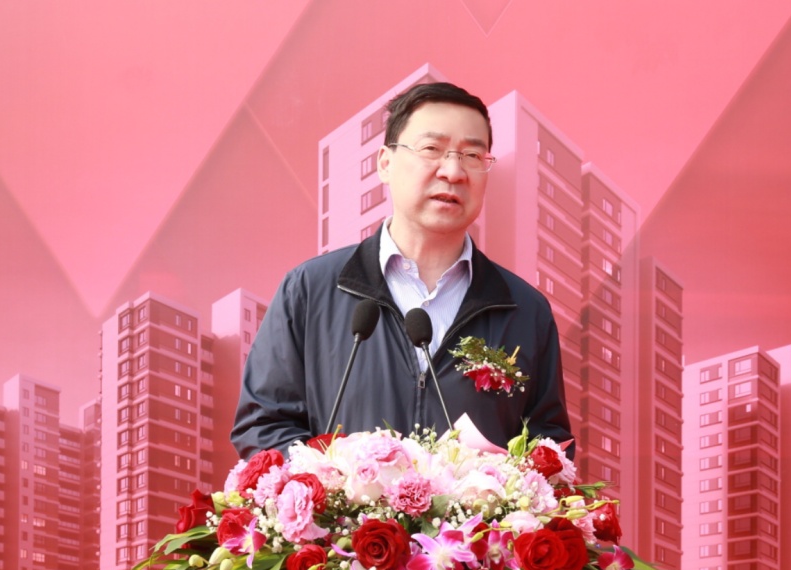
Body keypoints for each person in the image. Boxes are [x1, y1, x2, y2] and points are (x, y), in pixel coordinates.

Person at [231, 82, 572, 457]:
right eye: (431, 149)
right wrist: (339, 483)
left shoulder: (525, 310)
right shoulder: (311, 290)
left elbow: (550, 449)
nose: (453, 171)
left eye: (473, 155)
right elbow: (263, 427)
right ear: (385, 163)